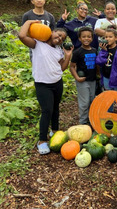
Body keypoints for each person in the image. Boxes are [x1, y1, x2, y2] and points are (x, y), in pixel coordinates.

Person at [18, 20, 73, 155]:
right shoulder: (37, 44)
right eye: (58, 35)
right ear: (52, 32)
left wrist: (68, 56)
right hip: (43, 84)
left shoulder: (59, 50)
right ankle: (42, 140)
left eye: (62, 38)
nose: (59, 38)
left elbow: (62, 68)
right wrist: (29, 22)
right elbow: (22, 36)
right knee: (47, 110)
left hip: (57, 82)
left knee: (55, 108)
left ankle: (54, 131)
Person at [70, 27, 97, 125]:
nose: (86, 39)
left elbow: (97, 65)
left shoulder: (94, 50)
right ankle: (82, 123)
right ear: (80, 39)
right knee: (84, 102)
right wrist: (77, 77)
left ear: (92, 38)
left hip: (92, 80)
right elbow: (72, 66)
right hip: (82, 80)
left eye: (89, 37)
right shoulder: (77, 52)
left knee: (92, 101)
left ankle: (91, 122)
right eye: (84, 37)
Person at [96, 25, 117, 94]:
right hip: (106, 77)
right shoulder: (103, 49)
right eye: (106, 37)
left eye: (110, 37)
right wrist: (104, 51)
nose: (107, 39)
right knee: (108, 98)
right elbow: (99, 62)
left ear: (116, 38)